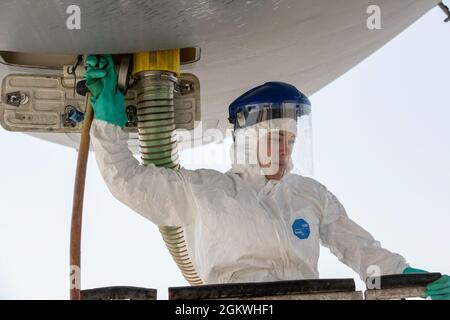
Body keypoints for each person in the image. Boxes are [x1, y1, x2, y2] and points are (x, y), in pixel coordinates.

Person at [85, 55, 449, 299]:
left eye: (291, 140)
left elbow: (357, 248)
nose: (286, 150)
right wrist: (107, 118)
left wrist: (409, 277)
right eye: (276, 138)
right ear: (248, 141)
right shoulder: (205, 191)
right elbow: (127, 179)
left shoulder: (310, 195)